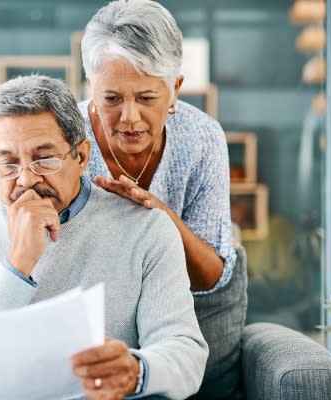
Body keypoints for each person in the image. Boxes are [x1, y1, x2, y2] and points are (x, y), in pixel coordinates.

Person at [0, 75, 208, 400]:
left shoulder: (146, 229)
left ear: (80, 157)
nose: (26, 179)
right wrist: (16, 266)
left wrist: (136, 371)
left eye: (44, 158)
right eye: (8, 163)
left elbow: (186, 355)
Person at [79, 1, 247, 398]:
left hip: (171, 334)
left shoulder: (202, 139)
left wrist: (157, 214)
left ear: (175, 89)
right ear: (91, 86)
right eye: (113, 98)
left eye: (147, 98)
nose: (130, 118)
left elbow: (211, 277)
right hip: (93, 325)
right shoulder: (67, 136)